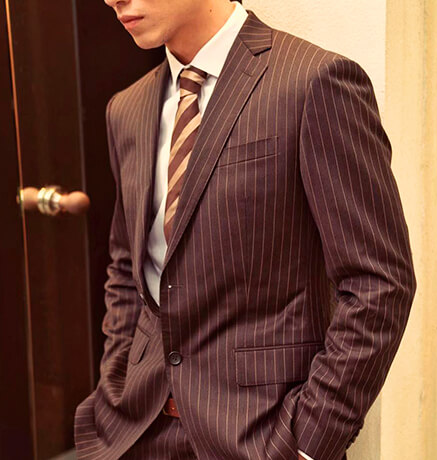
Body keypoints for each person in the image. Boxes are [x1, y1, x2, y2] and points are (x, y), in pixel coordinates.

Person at [74, 0, 417, 459]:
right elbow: (126, 268)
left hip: (260, 437)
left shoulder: (312, 81)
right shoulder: (127, 108)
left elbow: (379, 281)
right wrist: (115, 378)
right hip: (135, 431)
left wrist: (311, 441)